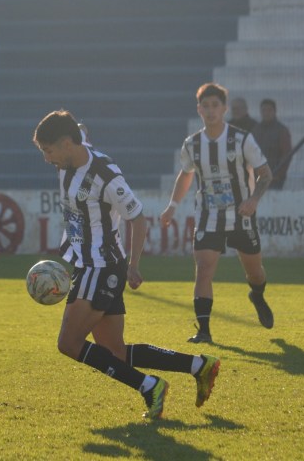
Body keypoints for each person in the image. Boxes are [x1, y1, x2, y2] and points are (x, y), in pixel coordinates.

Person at [33, 109, 221, 420]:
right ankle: (199, 366)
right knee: (114, 353)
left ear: (66, 143)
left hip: (101, 267)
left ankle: (149, 386)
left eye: (48, 151)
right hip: (88, 265)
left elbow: (137, 218)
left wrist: (133, 265)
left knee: (68, 343)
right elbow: (80, 130)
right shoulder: (70, 155)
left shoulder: (105, 176)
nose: (46, 158)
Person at [160, 83, 275, 344]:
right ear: (199, 109)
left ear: (224, 108)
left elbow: (265, 173)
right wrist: (172, 206)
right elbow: (185, 175)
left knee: (255, 272)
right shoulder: (192, 144)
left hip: (241, 216)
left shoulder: (242, 139)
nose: (210, 111)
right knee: (203, 269)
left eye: (216, 106)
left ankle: (257, 295)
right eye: (205, 106)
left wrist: (254, 199)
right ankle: (204, 331)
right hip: (208, 215)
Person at [253, 98, 292, 190]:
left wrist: (279, 174)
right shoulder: (255, 130)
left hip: (275, 178)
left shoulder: (282, 131)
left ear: (275, 111)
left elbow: (286, 154)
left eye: (269, 110)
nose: (266, 113)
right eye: (264, 110)